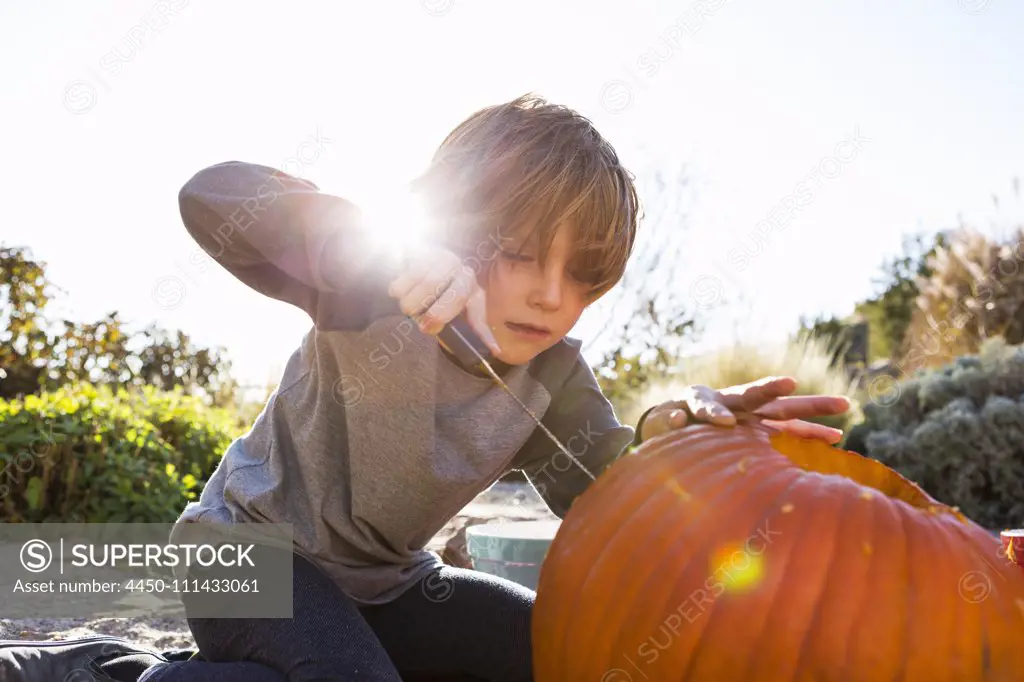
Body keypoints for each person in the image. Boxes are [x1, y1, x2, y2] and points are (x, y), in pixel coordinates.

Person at [137, 94, 849, 681]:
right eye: (519, 253)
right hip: (243, 558)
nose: (549, 294)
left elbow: (603, 491)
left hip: (386, 585)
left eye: (583, 272)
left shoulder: (553, 376)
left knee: (565, 655)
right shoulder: (374, 287)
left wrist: (673, 434)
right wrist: (375, 247)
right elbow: (210, 197)